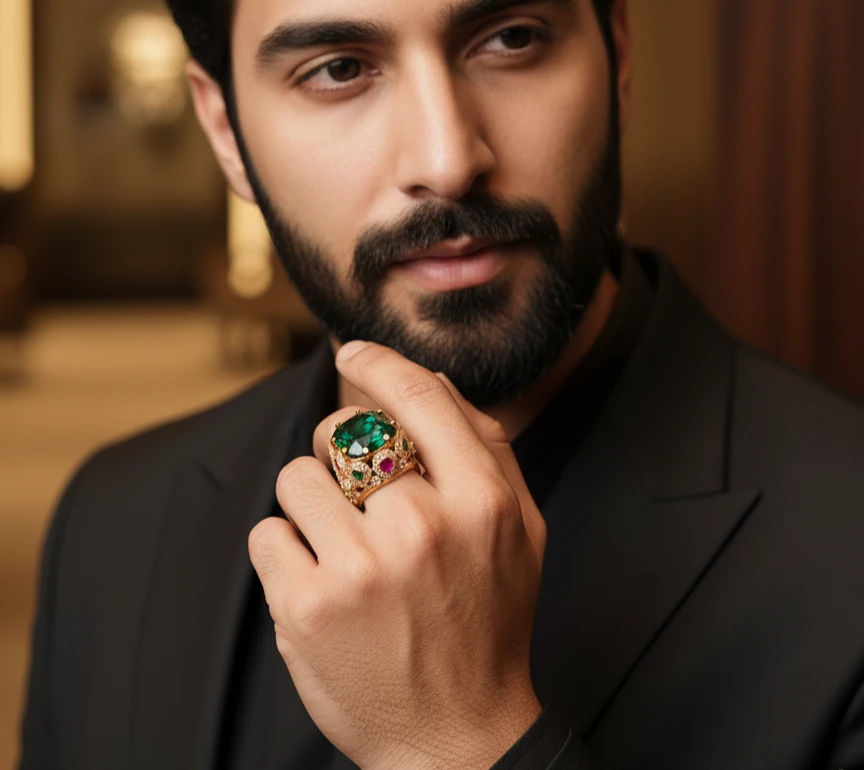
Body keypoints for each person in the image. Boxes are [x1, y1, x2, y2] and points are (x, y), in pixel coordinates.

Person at [19, 0, 864, 768]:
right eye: (338, 69)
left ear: (619, 55)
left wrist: (462, 745)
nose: (448, 159)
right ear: (224, 128)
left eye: (512, 39)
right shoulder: (111, 523)